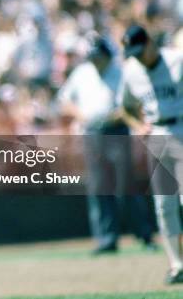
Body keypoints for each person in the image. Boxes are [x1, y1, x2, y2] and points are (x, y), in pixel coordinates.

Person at [59, 36, 154, 255]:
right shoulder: (82, 73)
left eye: (98, 56)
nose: (95, 60)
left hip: (117, 130)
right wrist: (81, 115)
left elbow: (132, 101)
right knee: (99, 186)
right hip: (92, 133)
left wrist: (120, 115)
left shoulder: (120, 71)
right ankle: (106, 238)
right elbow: (65, 100)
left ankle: (144, 234)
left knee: (125, 185)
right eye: (92, 57)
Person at [119, 24, 183, 284]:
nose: (136, 57)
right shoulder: (132, 71)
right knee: (163, 205)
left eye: (139, 51)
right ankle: (177, 265)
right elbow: (124, 107)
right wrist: (137, 125)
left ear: (150, 44)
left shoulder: (176, 60)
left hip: (180, 127)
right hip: (155, 134)